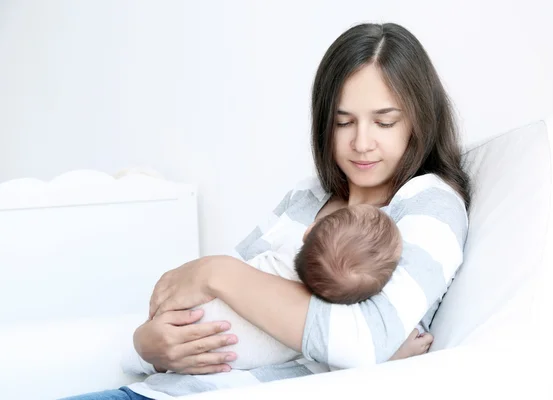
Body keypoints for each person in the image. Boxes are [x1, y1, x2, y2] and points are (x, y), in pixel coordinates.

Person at [62, 21, 470, 400]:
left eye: (384, 122)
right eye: (343, 122)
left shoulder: (429, 205)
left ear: (418, 119)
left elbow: (364, 341)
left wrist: (217, 272)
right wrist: (148, 345)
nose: (361, 143)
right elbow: (209, 303)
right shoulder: (308, 197)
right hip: (159, 388)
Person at [121, 204, 402, 375]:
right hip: (204, 360)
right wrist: (396, 355)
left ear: (307, 232)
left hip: (182, 335)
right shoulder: (321, 326)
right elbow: (342, 361)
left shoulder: (284, 251)